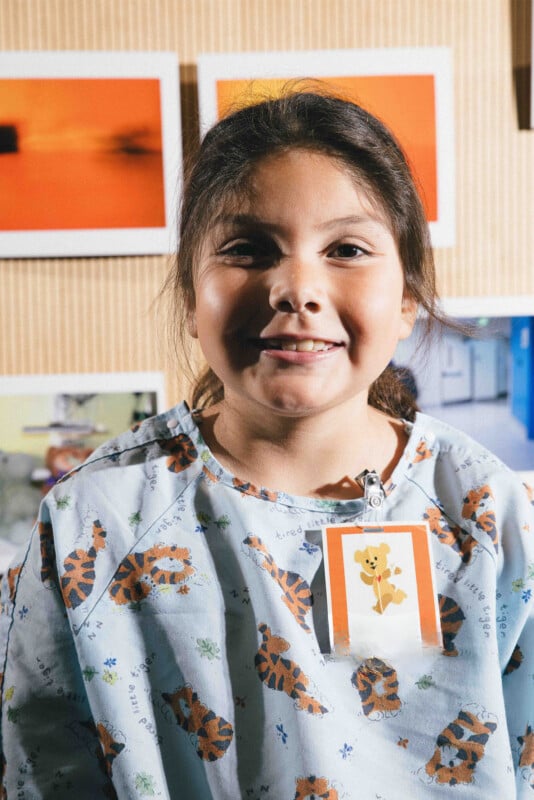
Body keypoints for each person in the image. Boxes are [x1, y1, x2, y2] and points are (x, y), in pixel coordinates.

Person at [1, 90, 532, 799]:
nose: (296, 288)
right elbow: (41, 767)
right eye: (247, 249)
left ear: (407, 298)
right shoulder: (91, 521)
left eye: (346, 249)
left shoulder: (486, 510)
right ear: (191, 298)